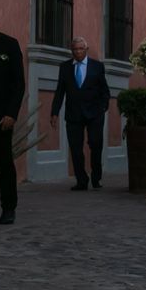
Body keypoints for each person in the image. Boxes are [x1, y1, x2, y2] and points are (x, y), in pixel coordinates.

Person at [50, 37, 111, 190]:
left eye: (80, 49)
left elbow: (105, 90)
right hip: (73, 114)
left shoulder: (97, 66)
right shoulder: (65, 67)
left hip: (94, 113)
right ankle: (81, 180)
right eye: (75, 49)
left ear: (86, 49)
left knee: (96, 144)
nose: (77, 52)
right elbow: (59, 91)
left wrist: (103, 107)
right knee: (75, 148)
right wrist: (54, 113)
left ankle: (96, 178)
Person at [0, 0, 26, 225]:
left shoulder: (8, 44)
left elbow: (18, 84)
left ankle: (8, 208)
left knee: (4, 164)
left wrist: (11, 113)